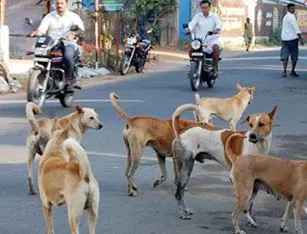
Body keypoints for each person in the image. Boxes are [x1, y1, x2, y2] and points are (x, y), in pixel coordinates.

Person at [31, 0, 84, 87]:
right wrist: (36, 32)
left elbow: (80, 29)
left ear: (66, 4)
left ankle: (69, 79)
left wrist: (73, 33)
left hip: (68, 43)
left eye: (61, 3)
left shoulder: (73, 16)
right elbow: (42, 29)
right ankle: (43, 77)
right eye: (57, 3)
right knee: (41, 55)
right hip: (52, 42)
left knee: (68, 56)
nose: (59, 5)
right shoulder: (50, 16)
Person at [188, 0, 222, 76]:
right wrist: (189, 29)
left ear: (209, 7)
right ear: (201, 8)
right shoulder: (198, 16)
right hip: (200, 41)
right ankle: (194, 64)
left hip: (212, 40)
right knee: (190, 49)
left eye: (206, 7)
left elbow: (219, 25)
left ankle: (215, 67)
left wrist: (216, 30)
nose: (204, 9)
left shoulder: (214, 16)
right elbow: (192, 24)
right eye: (202, 8)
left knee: (216, 48)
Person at [280, 3, 304, 78]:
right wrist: (301, 38)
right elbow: (296, 28)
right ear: (288, 9)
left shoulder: (285, 17)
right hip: (292, 40)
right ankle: (292, 71)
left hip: (284, 39)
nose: (293, 10)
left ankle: (284, 71)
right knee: (294, 56)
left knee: (285, 56)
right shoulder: (292, 17)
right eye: (292, 8)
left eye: (294, 8)